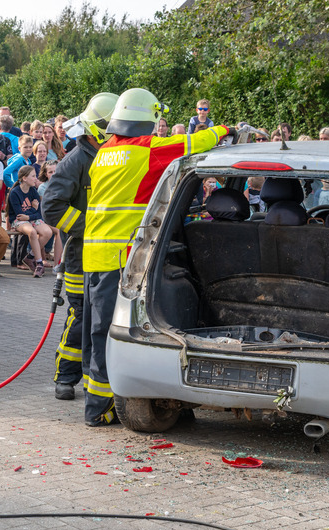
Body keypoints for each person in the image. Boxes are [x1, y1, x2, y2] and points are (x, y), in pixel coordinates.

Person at [83, 88, 228, 426]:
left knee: (99, 331)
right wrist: (224, 130)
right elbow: (192, 143)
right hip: (120, 256)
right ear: (147, 118)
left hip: (95, 254)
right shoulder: (144, 150)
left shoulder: (106, 151)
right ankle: (98, 409)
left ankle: (98, 403)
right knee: (112, 333)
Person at [43, 92, 118, 402]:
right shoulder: (75, 161)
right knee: (80, 315)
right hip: (79, 255)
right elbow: (51, 206)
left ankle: (93, 376)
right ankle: (65, 376)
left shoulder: (112, 157)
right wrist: (89, 227)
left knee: (102, 318)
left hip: (108, 253)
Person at [9, 165, 55, 277]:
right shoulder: (15, 192)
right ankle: (39, 264)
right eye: (33, 176)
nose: (36, 179)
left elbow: (39, 213)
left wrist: (29, 215)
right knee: (32, 232)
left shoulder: (33, 191)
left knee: (48, 232)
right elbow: (19, 215)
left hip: (31, 218)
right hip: (18, 221)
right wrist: (33, 210)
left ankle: (30, 257)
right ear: (24, 178)